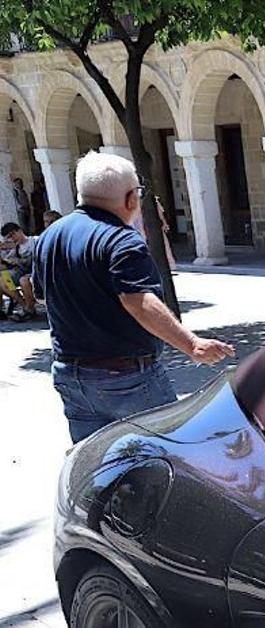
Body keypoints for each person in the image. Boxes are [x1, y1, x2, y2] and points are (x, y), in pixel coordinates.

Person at [34, 151, 233, 443]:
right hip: (127, 377)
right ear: (130, 199)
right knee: (167, 450)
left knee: (98, 459)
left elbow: (42, 297)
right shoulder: (121, 238)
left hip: (71, 375)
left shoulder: (50, 236)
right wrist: (192, 345)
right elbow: (139, 302)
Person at [0, 221, 39, 320]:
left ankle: (29, 309)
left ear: (20, 231)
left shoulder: (34, 241)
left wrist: (19, 261)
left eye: (13, 234)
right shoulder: (16, 248)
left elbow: (39, 258)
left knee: (23, 280)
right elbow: (8, 261)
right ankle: (25, 305)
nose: (12, 238)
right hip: (22, 271)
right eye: (9, 237)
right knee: (3, 278)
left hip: (37, 271)